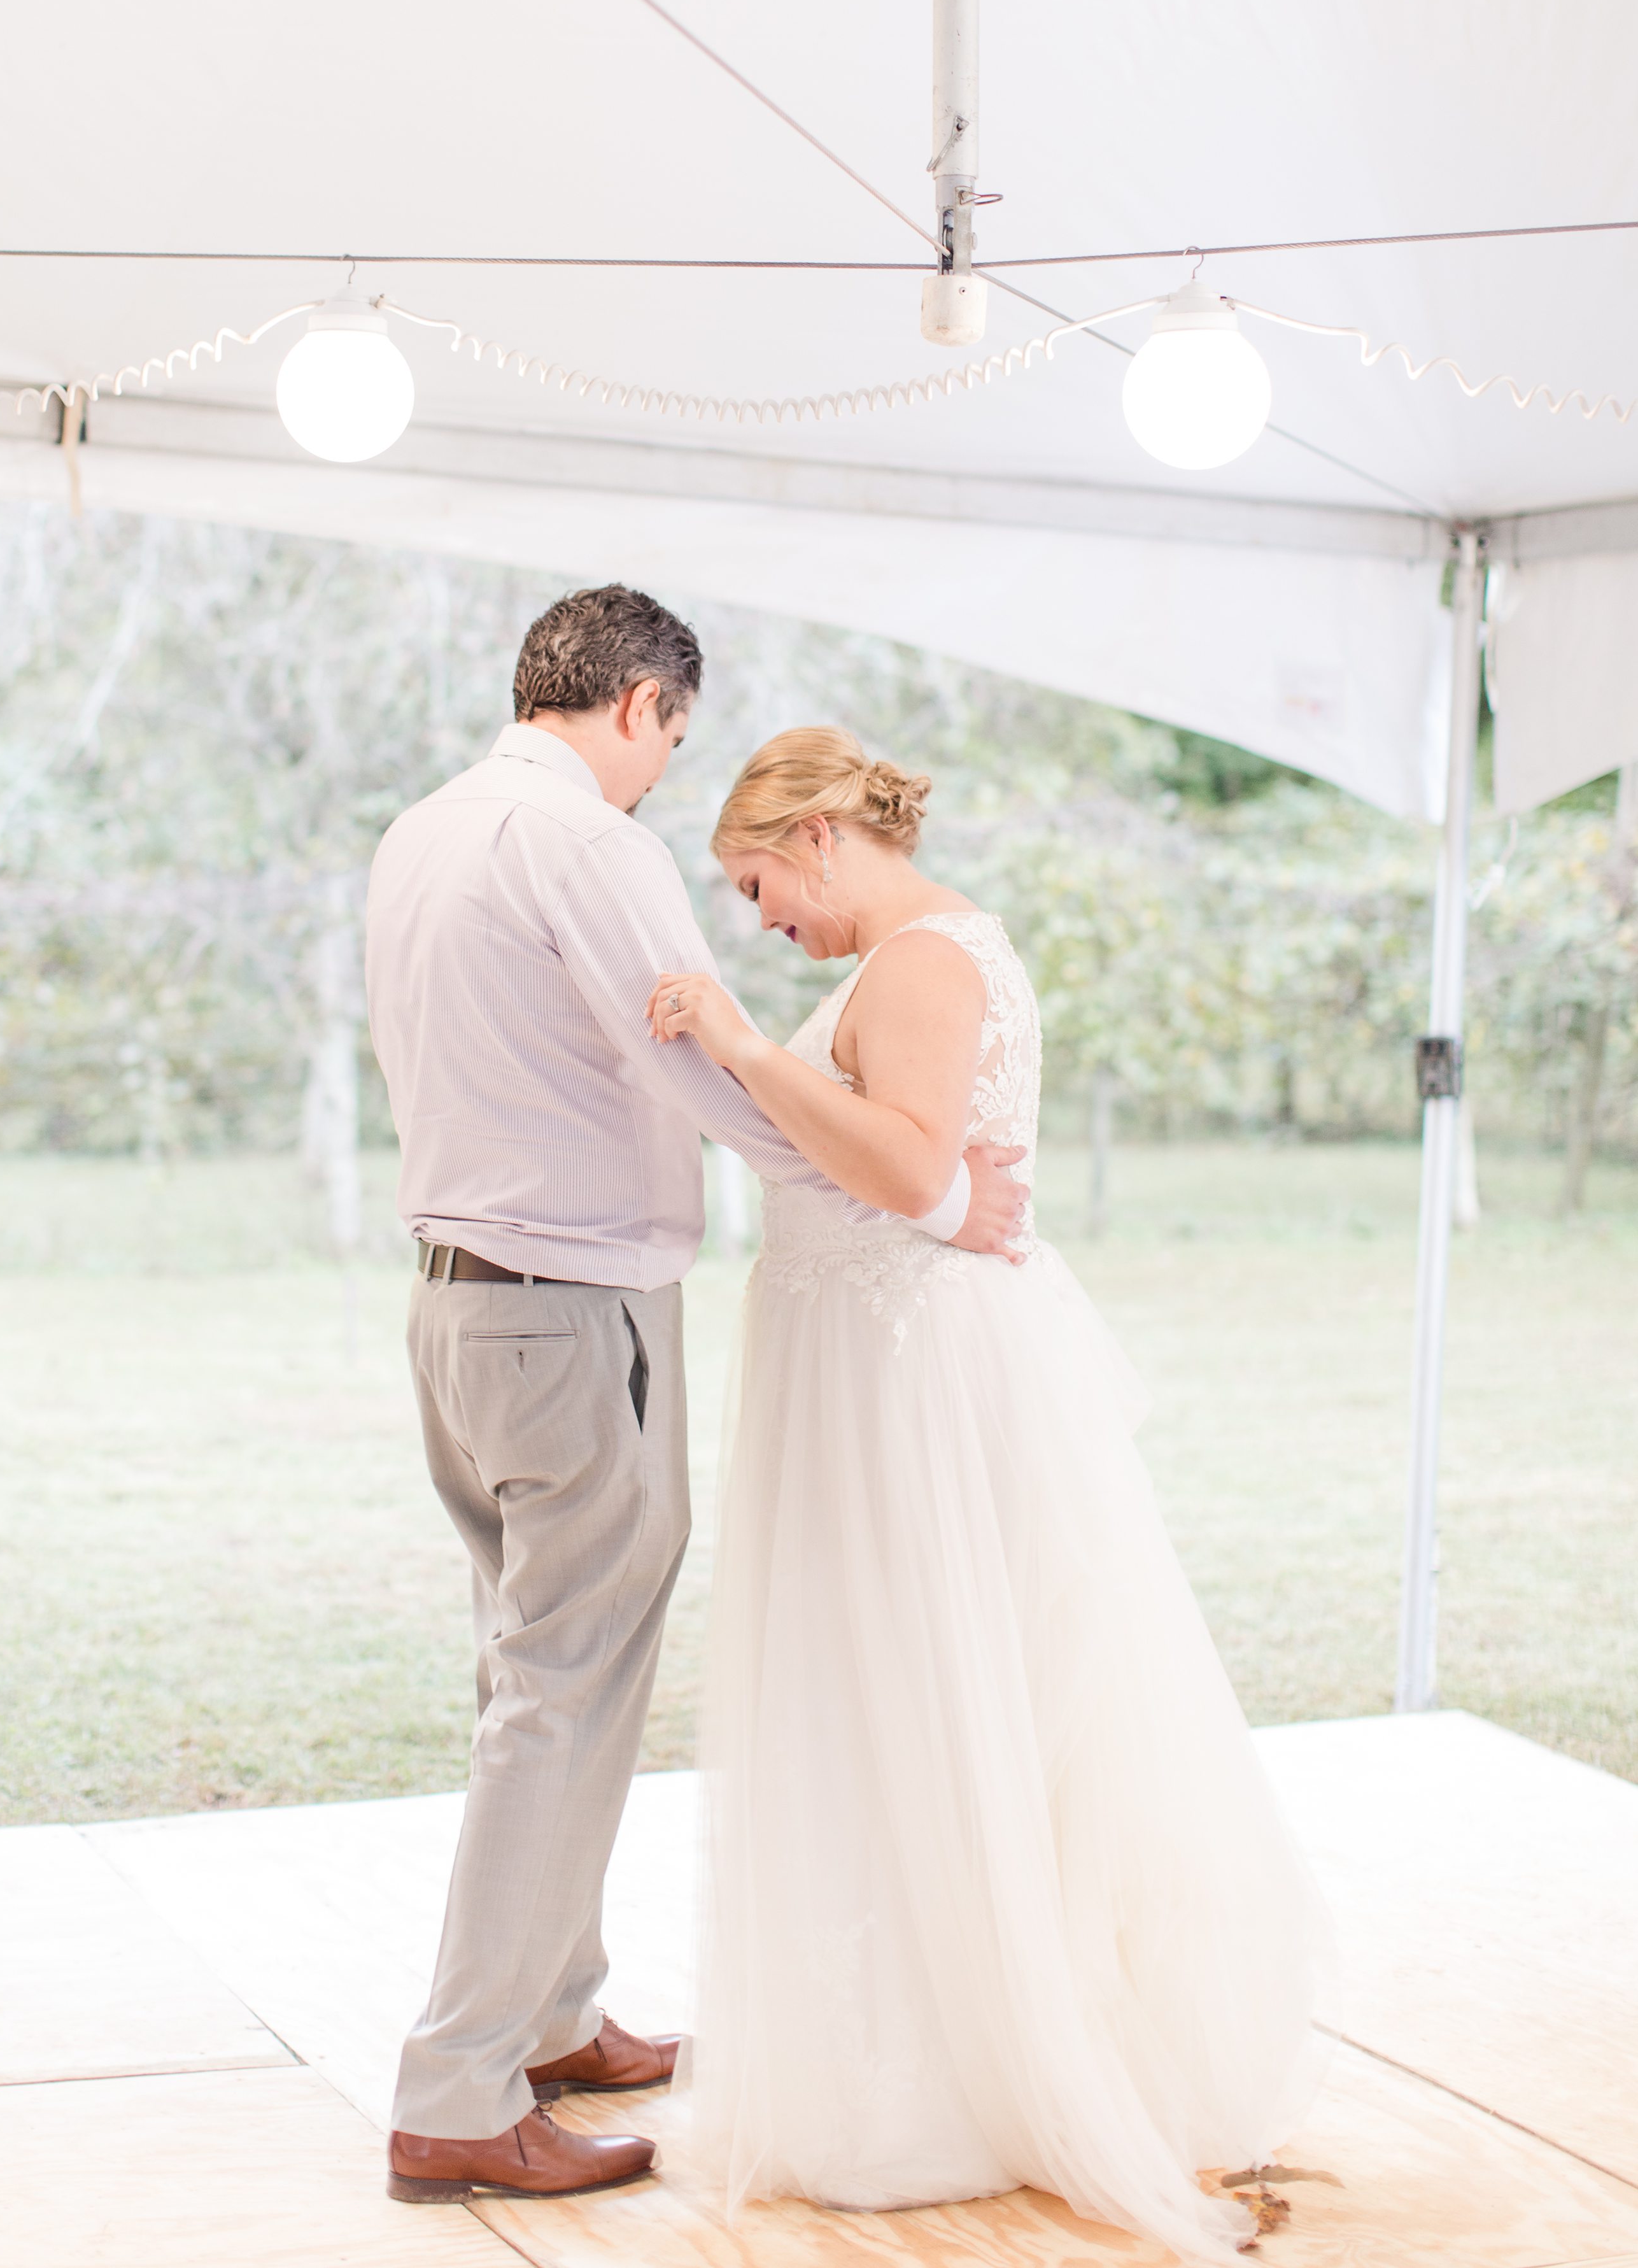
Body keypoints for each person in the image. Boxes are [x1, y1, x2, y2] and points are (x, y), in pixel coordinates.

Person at [362, 592, 1029, 2208]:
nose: (667, 782)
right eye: (672, 747)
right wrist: (928, 1201)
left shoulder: (423, 833)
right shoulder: (591, 845)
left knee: (532, 1670)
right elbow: (699, 1066)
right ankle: (461, 2089)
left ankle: (552, 2014)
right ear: (648, 706)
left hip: (459, 1311)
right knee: (567, 1684)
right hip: (575, 1313)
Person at [649, 728, 1327, 2260]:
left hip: (907, 1376)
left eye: (762, 883)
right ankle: (906, 2036)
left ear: (819, 839)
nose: (764, 919)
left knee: (929, 1683)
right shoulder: (904, 960)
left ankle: (965, 2062)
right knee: (875, 1696)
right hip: (862, 1350)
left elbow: (906, 1166)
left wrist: (751, 1050)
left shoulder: (926, 964)